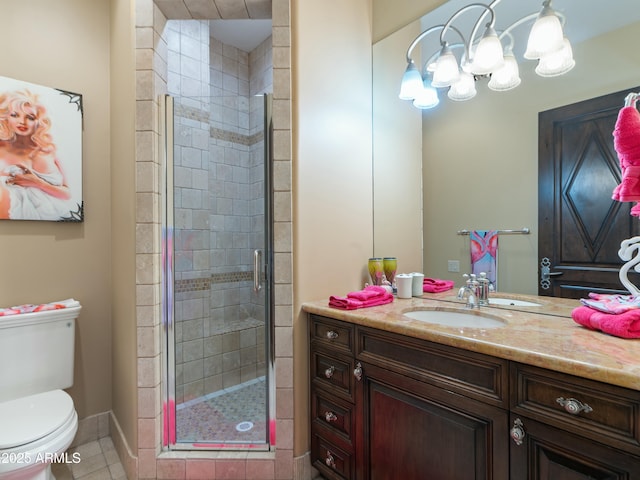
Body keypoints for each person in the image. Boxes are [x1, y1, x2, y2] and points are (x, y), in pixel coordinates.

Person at [0, 89, 72, 220]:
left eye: (30, 117)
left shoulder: (48, 150)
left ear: (39, 122)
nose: (22, 122)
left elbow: (67, 194)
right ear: (5, 118)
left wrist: (38, 182)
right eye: (15, 115)